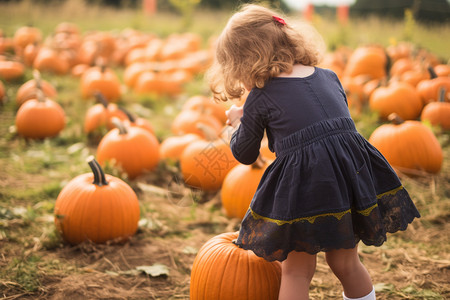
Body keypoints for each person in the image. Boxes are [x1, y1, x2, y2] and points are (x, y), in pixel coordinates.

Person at [207, 4, 421, 300]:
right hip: (348, 178)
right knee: (346, 262)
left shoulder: (260, 96)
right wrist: (254, 112)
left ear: (244, 62)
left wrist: (236, 125)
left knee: (296, 271)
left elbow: (245, 153)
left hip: (305, 185)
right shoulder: (328, 76)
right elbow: (310, 117)